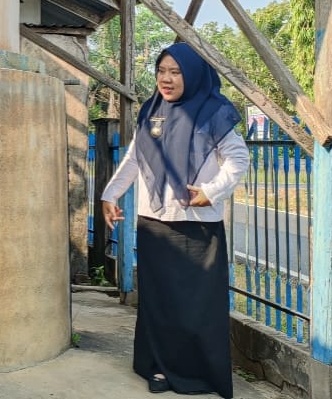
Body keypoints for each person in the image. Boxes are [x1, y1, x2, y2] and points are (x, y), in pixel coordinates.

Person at [101, 42, 248, 398]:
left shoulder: (214, 112)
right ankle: (159, 369)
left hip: (198, 225)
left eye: (175, 72)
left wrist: (211, 190)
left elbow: (238, 159)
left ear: (193, 74)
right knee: (159, 301)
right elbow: (135, 158)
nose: (166, 79)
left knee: (197, 306)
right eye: (161, 71)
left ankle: (199, 372)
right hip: (154, 222)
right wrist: (109, 194)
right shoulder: (152, 110)